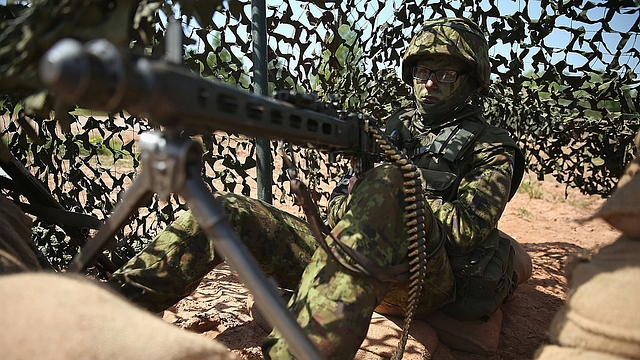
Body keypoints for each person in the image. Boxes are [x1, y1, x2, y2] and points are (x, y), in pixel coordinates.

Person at [107, 17, 531, 359]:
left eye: (444, 74)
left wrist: (402, 192)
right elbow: (336, 207)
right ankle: (110, 315)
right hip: (354, 250)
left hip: (425, 279)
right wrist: (366, 198)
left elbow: (464, 233)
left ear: (472, 80)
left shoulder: (492, 147)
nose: (429, 82)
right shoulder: (393, 127)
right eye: (422, 71)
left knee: (387, 184)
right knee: (232, 211)